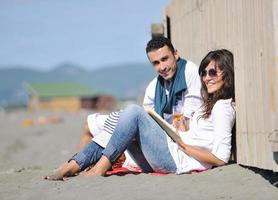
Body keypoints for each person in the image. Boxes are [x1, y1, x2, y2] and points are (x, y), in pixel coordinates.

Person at [44, 36, 202, 180]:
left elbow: (186, 126)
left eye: (165, 59)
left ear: (176, 54)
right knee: (120, 123)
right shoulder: (154, 87)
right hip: (155, 152)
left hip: (178, 155)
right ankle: (73, 165)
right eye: (156, 63)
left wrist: (175, 123)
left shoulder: (190, 73)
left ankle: (100, 166)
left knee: (133, 111)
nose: (161, 67)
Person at [81, 48, 236, 176]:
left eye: (213, 73)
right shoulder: (209, 104)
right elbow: (200, 136)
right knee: (124, 123)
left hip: (176, 160)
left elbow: (221, 158)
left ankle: (94, 167)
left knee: (134, 112)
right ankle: (78, 164)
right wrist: (181, 130)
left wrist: (184, 146)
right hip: (172, 153)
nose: (206, 78)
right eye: (204, 73)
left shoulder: (223, 107)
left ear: (227, 75)